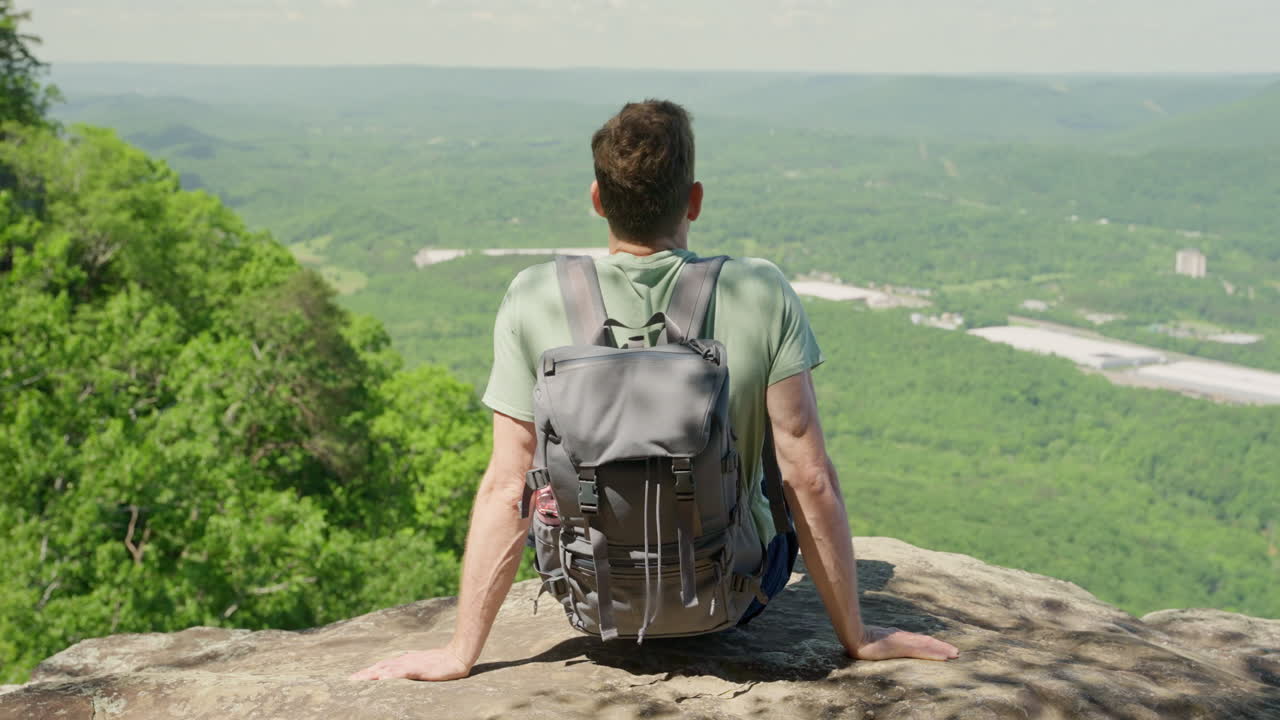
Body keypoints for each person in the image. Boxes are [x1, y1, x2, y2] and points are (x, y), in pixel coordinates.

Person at [352, 100, 959, 682]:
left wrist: (461, 652)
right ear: (693, 200)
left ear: (598, 200)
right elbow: (809, 475)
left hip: (592, 605)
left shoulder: (533, 296)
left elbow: (507, 484)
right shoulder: (762, 290)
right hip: (733, 598)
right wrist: (856, 636)